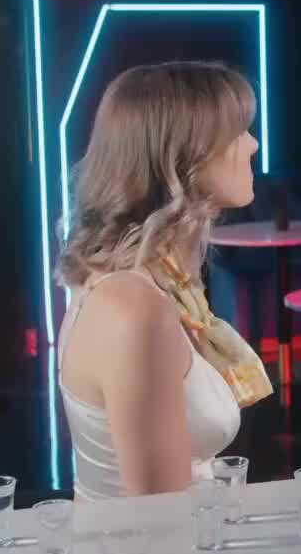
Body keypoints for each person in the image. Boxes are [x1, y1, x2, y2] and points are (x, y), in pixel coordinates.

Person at [57, 62, 273, 501]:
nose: (252, 144)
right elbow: (162, 522)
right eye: (237, 132)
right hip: (158, 544)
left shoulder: (155, 284)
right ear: (184, 156)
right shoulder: (135, 309)